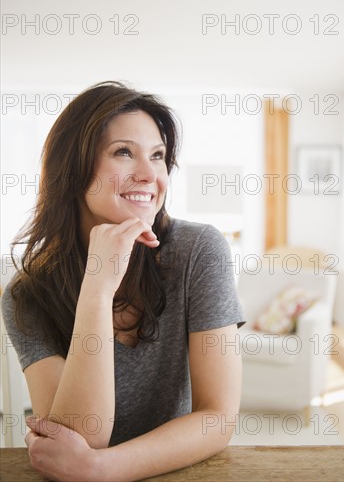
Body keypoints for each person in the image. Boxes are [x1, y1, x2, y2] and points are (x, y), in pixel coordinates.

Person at [1, 81, 245, 481]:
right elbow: (81, 436)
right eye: (123, 153)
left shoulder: (198, 250)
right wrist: (97, 289)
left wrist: (102, 468)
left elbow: (217, 417)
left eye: (159, 156)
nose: (150, 174)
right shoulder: (27, 296)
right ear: (74, 171)